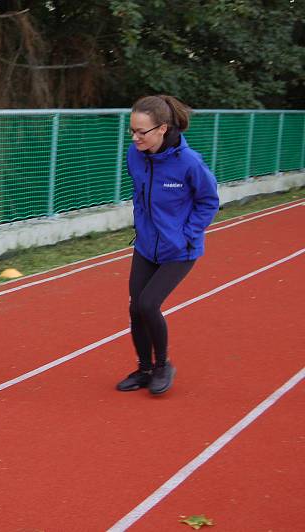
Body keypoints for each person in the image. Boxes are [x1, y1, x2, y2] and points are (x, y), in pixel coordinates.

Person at [117, 95, 219, 395]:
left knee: (149, 304)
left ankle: (163, 365)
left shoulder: (189, 162)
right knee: (136, 309)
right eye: (132, 130)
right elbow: (140, 193)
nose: (135, 137)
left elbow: (209, 201)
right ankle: (144, 369)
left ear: (162, 129)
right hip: (147, 245)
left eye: (141, 132)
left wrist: (188, 233)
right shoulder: (134, 155)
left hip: (180, 250)